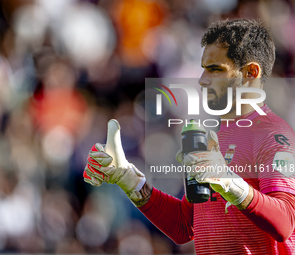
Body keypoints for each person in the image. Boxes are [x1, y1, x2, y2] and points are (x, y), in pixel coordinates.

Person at [83, 19, 295, 254]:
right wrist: (129, 180)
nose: (202, 79)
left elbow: (285, 221)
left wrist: (231, 183)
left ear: (250, 73)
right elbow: (185, 225)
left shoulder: (273, 134)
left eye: (215, 69)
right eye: (204, 68)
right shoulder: (216, 137)